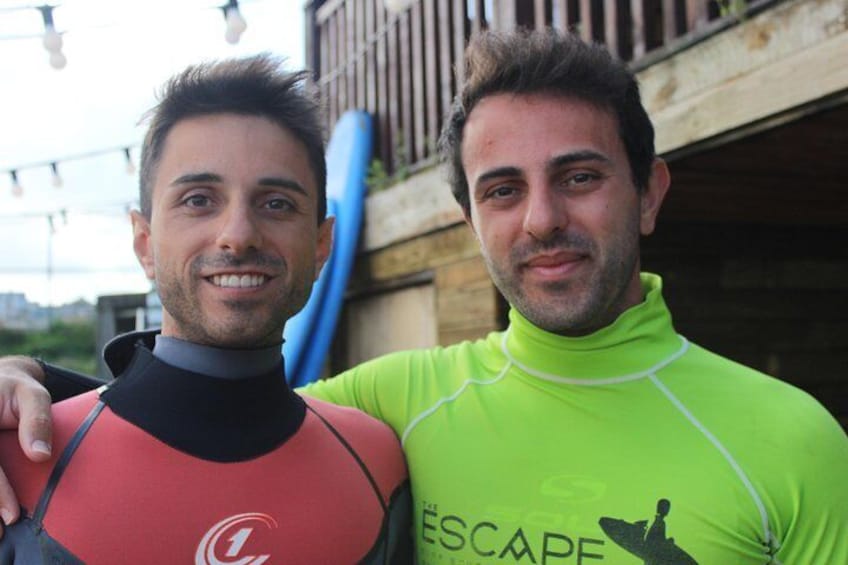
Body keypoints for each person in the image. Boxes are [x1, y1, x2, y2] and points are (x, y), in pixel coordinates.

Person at [2, 28, 847, 564]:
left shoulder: (793, 440)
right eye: (503, 189)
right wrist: (24, 376)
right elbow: (202, 413)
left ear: (651, 193)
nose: (543, 219)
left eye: (580, 177)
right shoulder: (396, 405)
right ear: (473, 216)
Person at [0, 55, 411, 564]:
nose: (238, 235)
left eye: (277, 203)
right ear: (144, 242)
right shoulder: (20, 462)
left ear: (322, 244)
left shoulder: (378, 461)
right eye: (198, 200)